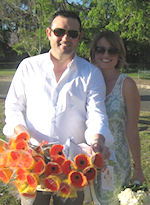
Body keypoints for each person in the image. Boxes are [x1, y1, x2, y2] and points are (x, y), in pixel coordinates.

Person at [3, 10, 113, 205]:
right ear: (48, 33)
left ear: (79, 37)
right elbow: (13, 107)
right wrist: (23, 136)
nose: (65, 38)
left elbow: (97, 114)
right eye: (59, 31)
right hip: (33, 161)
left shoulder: (91, 74)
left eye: (72, 33)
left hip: (73, 166)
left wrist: (97, 141)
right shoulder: (28, 67)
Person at [90, 30, 145, 204]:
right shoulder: (87, 82)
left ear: (119, 54)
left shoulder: (126, 84)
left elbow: (132, 129)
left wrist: (138, 169)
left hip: (115, 163)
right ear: (94, 53)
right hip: (88, 160)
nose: (106, 55)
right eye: (101, 50)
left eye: (112, 50)